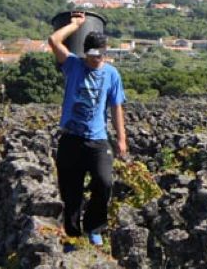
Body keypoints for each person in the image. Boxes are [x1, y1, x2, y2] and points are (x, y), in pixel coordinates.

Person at [48, 12, 127, 247]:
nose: (95, 60)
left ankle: (94, 227)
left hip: (97, 140)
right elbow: (54, 40)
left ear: (105, 53)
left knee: (104, 183)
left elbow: (116, 107)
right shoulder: (72, 65)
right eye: (91, 56)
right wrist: (75, 25)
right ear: (85, 53)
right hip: (71, 138)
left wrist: (121, 139)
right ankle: (73, 236)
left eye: (99, 56)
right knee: (70, 191)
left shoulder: (112, 74)